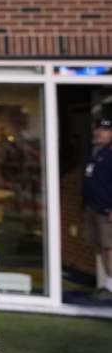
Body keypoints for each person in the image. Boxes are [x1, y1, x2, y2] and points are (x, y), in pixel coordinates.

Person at [82, 106, 112, 301]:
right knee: (100, 246)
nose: (99, 132)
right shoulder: (96, 152)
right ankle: (108, 283)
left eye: (104, 130)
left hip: (106, 210)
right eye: (98, 129)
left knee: (109, 247)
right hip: (93, 208)